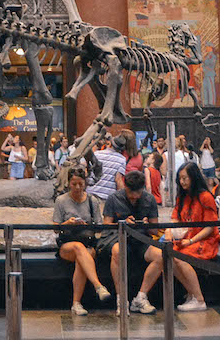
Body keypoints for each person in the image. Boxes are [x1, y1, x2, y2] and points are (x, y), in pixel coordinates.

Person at [139, 162, 220, 312]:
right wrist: (169, 231)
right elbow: (175, 218)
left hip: (203, 240)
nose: (182, 182)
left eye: (185, 178)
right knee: (166, 255)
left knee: (178, 257)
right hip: (185, 238)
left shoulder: (205, 197)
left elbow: (210, 227)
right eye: (180, 178)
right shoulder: (182, 196)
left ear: (193, 178)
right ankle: (191, 293)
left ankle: (199, 298)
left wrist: (191, 240)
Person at [99, 170, 159, 313]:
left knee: (161, 255)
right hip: (118, 238)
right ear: (125, 187)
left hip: (141, 239)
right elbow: (106, 226)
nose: (134, 197)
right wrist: (122, 223)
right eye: (131, 193)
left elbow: (155, 230)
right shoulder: (113, 199)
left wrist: (145, 225)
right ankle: (121, 299)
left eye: (138, 194)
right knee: (117, 251)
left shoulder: (149, 200)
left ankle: (141, 297)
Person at [53, 168, 112, 315]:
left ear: (85, 183)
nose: (78, 188)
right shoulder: (61, 201)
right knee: (79, 249)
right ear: (69, 184)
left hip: (88, 243)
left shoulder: (92, 201)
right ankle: (98, 286)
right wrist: (67, 223)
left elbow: (99, 227)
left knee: (82, 257)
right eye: (74, 184)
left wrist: (87, 226)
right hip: (68, 244)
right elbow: (55, 228)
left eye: (81, 184)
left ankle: (76, 303)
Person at [89, 134, 128, 201]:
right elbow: (118, 180)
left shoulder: (97, 154)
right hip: (106, 196)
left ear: (111, 144)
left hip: (91, 192)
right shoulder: (122, 160)